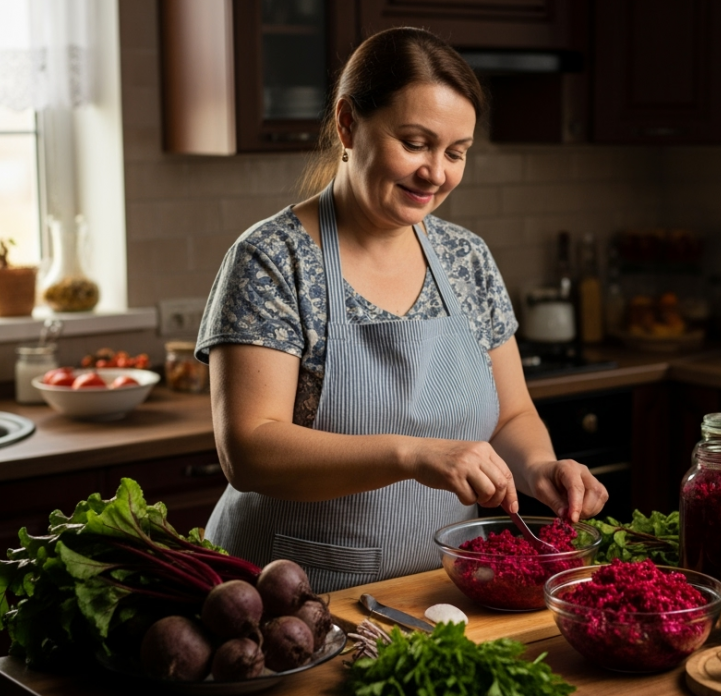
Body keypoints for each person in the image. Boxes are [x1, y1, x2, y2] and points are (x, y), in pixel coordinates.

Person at [195, 27, 608, 592]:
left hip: (442, 591)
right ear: (347, 124)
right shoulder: (272, 260)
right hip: (296, 595)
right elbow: (249, 449)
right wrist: (413, 455)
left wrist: (538, 468)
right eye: (415, 143)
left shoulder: (467, 258)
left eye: (455, 152)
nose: (436, 172)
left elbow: (511, 416)